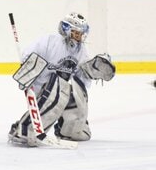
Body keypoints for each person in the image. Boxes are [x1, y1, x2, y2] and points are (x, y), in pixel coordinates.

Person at [8, 12, 115, 147]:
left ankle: (66, 130)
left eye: (81, 33)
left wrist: (91, 71)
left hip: (60, 90)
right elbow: (27, 58)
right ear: (66, 29)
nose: (80, 37)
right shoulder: (49, 41)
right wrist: (27, 67)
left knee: (78, 120)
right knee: (59, 86)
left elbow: (81, 80)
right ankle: (23, 129)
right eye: (76, 33)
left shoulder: (80, 50)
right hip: (42, 88)